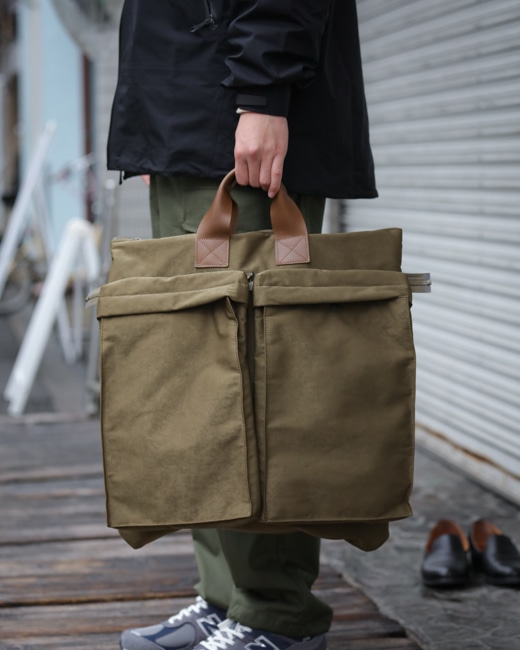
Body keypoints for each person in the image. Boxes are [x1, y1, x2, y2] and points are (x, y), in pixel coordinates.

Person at [107, 2, 378, 649]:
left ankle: (274, 612)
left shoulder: (254, 98)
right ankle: (225, 596)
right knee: (204, 380)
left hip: (235, 108)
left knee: (259, 378)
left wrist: (263, 93)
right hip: (190, 118)